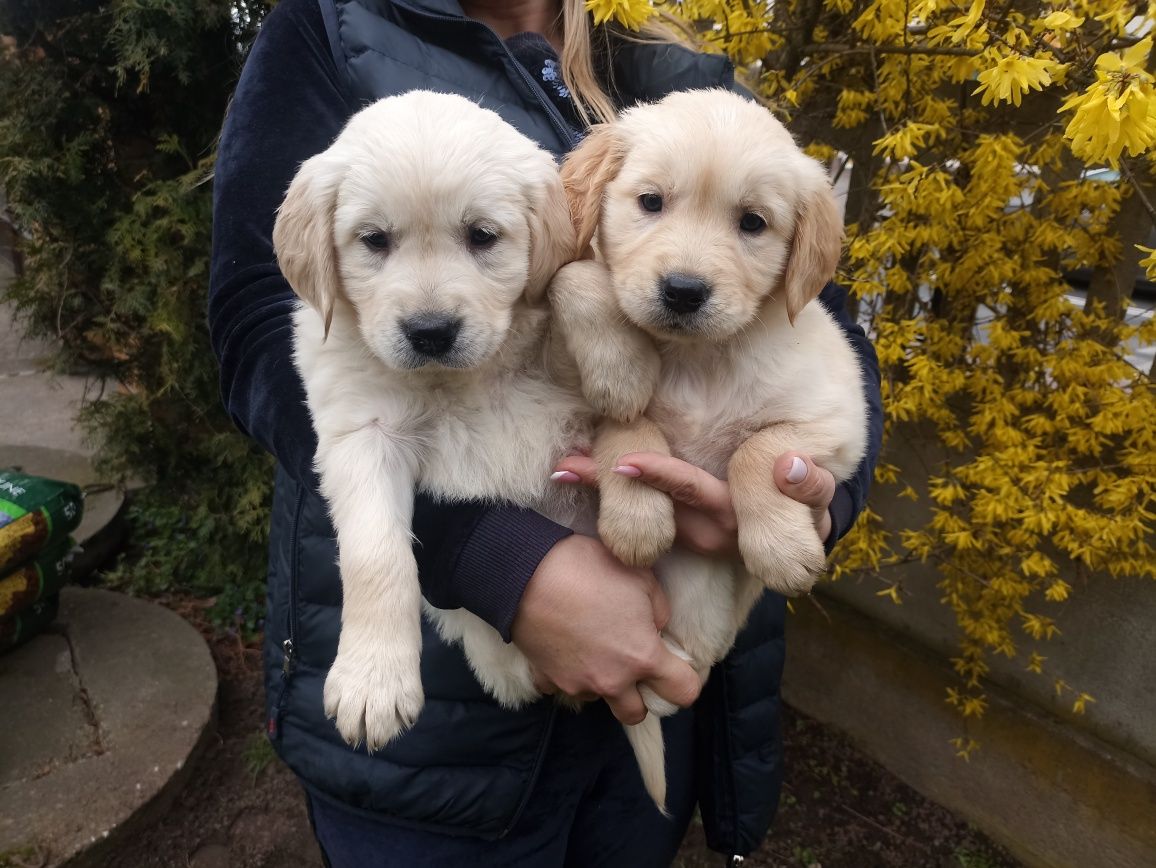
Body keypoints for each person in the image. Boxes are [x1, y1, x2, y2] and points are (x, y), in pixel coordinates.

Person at [208, 0, 884, 865]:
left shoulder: (662, 56)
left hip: (663, 660)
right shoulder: (330, 25)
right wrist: (501, 564)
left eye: (483, 237)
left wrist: (809, 493)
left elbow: (816, 319)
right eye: (376, 240)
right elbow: (260, 320)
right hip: (441, 740)